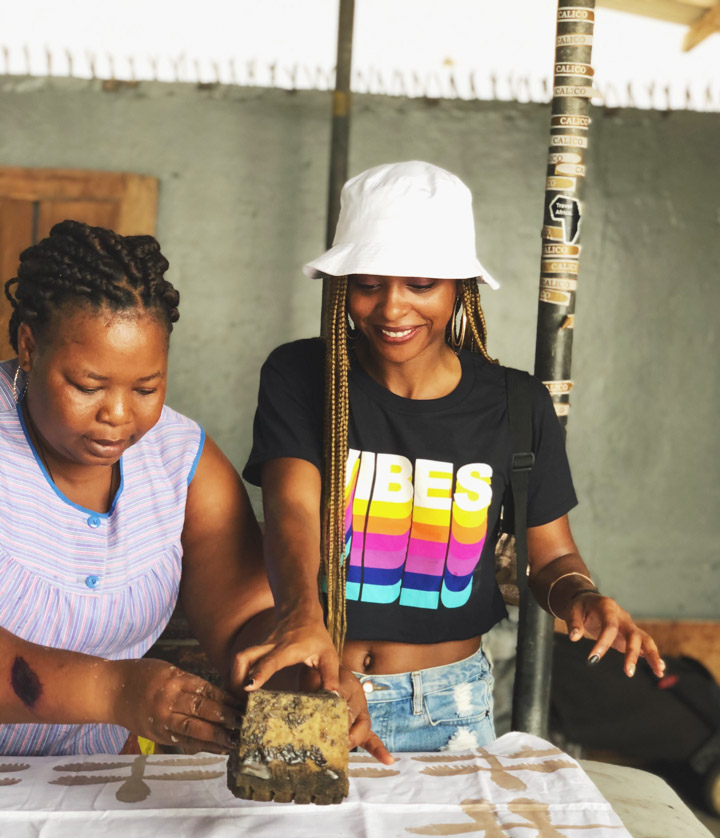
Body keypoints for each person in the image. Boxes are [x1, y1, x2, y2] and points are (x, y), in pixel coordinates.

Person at [237, 161, 664, 754]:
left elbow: (552, 555)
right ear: (342, 286)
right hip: (317, 684)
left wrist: (582, 598)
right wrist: (302, 616)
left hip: (450, 704)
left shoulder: (516, 405)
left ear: (460, 287)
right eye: (368, 284)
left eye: (420, 284)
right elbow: (292, 510)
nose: (392, 308)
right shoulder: (303, 376)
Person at [0, 220, 387, 760]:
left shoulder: (180, 459)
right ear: (27, 347)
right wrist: (116, 690)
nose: (117, 415)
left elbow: (247, 618)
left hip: (86, 787)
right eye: (87, 386)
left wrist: (301, 676)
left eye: (146, 387)